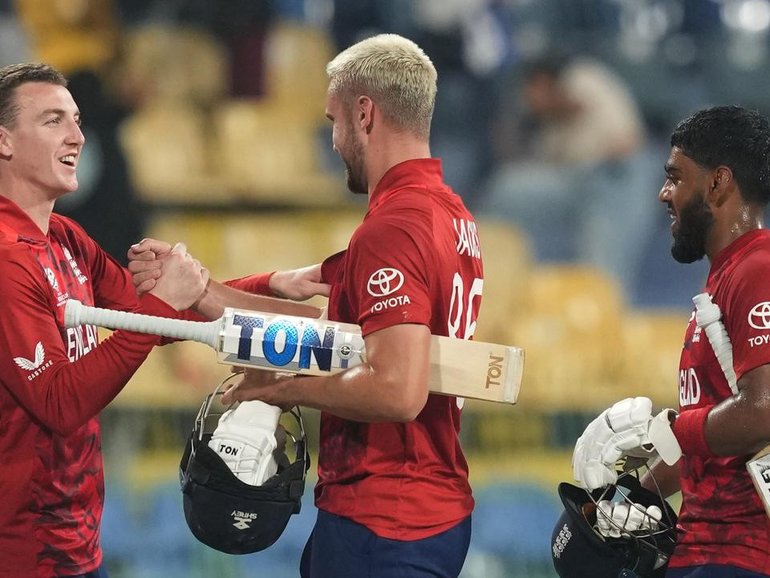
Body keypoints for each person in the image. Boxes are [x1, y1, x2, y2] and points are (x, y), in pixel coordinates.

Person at [131, 33, 482, 578]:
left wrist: (277, 386)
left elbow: (395, 389)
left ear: (364, 114)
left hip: (384, 517)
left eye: (333, 121)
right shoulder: (449, 215)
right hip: (418, 509)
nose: (335, 140)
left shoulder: (394, 229)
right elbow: (330, 334)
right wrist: (203, 292)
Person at [0, 63, 208, 577]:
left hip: (75, 544)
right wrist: (166, 303)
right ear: (3, 141)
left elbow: (146, 319)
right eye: (53, 121)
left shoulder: (66, 237)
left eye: (76, 119)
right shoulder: (5, 258)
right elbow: (59, 402)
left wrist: (270, 284)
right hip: (21, 555)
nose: (77, 135)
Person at [571, 106, 770, 577]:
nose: (663, 194)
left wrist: (665, 430)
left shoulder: (757, 271)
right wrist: (633, 497)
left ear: (718, 183)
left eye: (676, 178)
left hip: (739, 553)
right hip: (705, 549)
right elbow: (718, 441)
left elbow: (764, 409)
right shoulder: (728, 278)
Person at [476, 53, 658, 300]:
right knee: (508, 187)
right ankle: (482, 277)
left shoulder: (582, 78)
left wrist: (562, 105)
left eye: (538, 89)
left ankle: (603, 317)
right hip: (571, 181)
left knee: (602, 270)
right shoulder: (543, 126)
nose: (532, 97)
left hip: (614, 179)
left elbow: (626, 144)